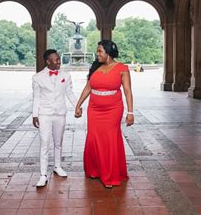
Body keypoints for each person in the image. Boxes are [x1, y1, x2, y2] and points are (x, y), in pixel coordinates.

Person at [74, 40, 134, 188]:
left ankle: (110, 176)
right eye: (97, 51)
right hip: (94, 109)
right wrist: (78, 104)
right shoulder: (95, 67)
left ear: (108, 52)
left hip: (113, 110)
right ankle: (95, 170)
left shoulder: (122, 68)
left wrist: (130, 112)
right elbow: (88, 88)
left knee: (109, 140)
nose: (97, 54)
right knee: (93, 139)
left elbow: (127, 91)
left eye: (100, 51)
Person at [32, 49, 80, 187]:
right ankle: (43, 175)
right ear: (48, 61)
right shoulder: (37, 77)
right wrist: (35, 115)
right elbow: (36, 97)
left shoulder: (66, 75)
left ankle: (57, 166)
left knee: (58, 142)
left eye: (59, 59)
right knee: (44, 143)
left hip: (60, 113)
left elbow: (69, 93)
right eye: (56, 59)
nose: (59, 61)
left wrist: (77, 106)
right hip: (44, 114)